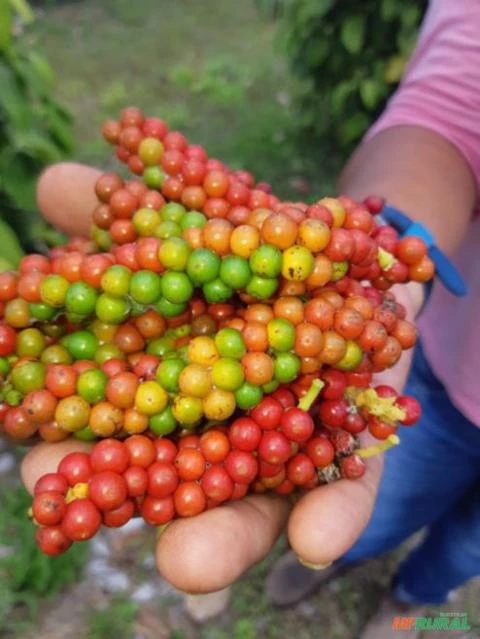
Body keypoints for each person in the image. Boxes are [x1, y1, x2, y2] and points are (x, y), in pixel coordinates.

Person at [20, 0, 480, 636]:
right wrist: (393, 234)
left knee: (465, 545)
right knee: (389, 503)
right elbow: (450, 111)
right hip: (449, 367)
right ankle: (368, 568)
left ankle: (418, 599)